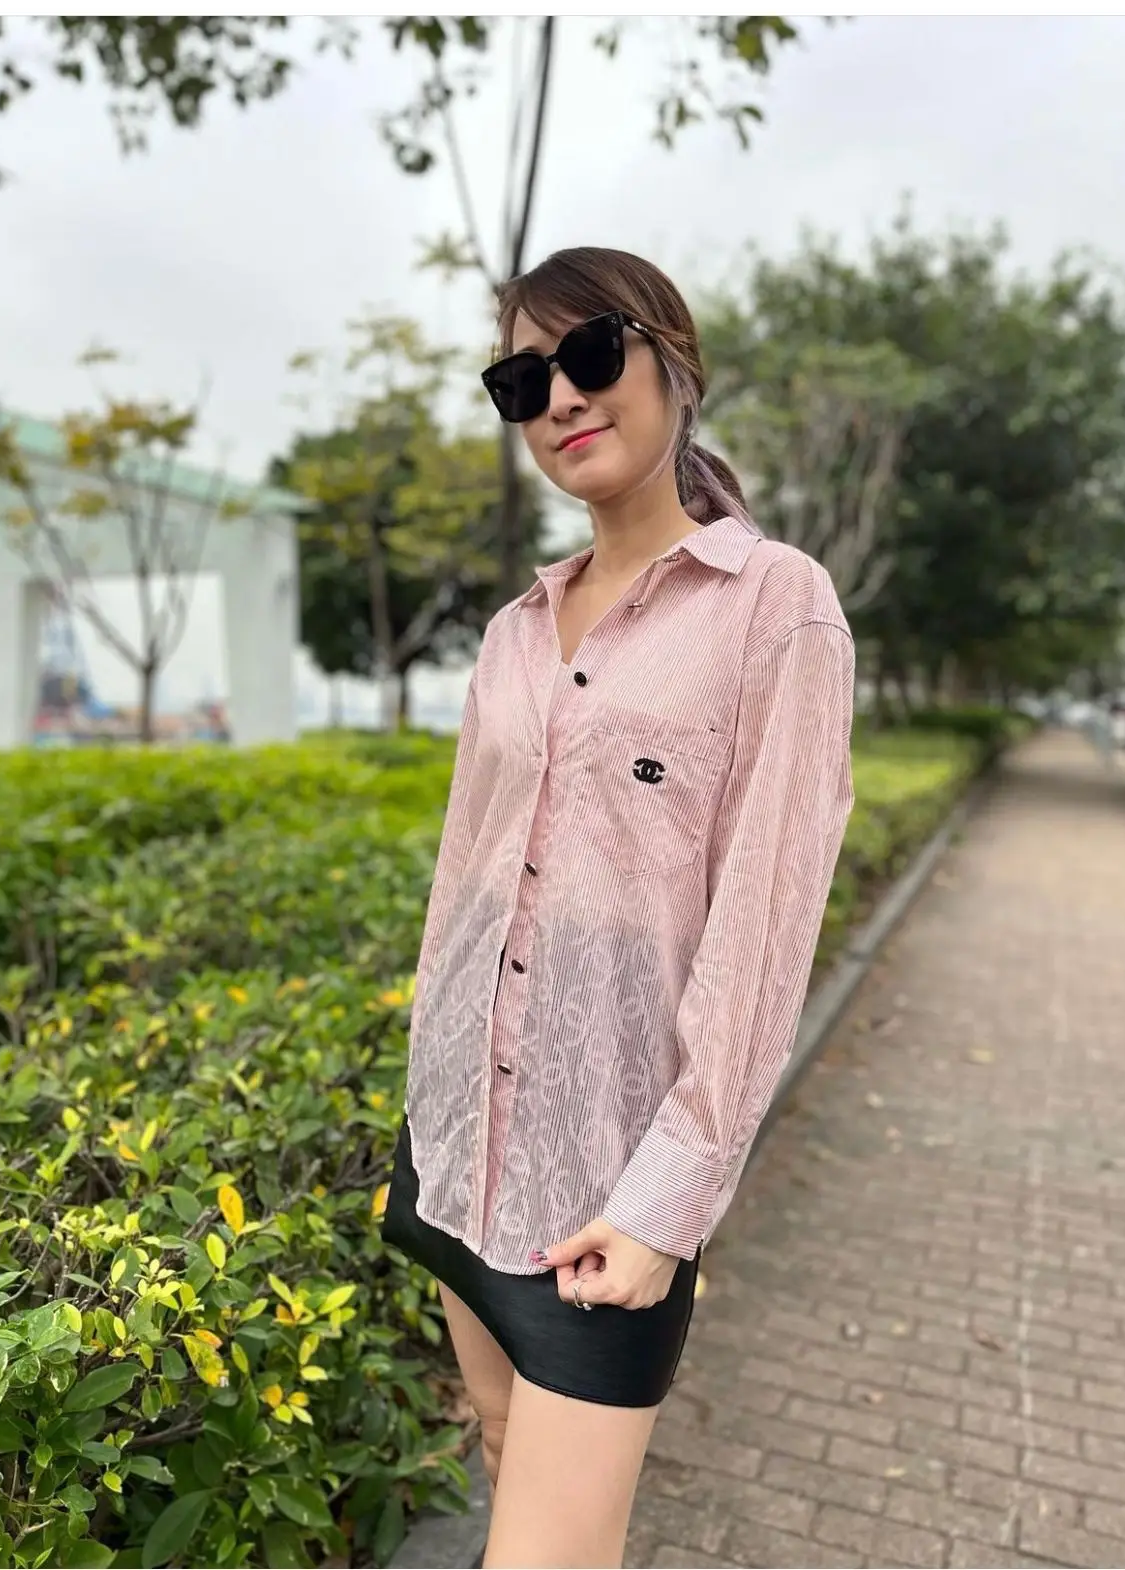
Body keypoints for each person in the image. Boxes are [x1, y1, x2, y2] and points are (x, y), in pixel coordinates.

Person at [382, 245, 855, 1568]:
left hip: (607, 1191)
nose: (559, 400)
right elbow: (465, 882)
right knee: (496, 1447)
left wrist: (667, 1203)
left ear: (673, 363)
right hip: (457, 1148)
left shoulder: (775, 608)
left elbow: (764, 929)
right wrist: (424, 1082)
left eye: (587, 356)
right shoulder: (510, 634)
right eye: (521, 381)